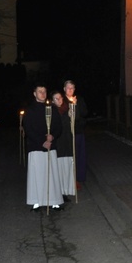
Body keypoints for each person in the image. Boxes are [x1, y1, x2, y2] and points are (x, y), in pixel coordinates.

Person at [23, 83, 64, 211]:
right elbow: (28, 129)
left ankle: (54, 201)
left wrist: (52, 137)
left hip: (50, 145)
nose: (43, 93)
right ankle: (36, 201)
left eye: (44, 91)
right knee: (37, 175)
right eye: (40, 91)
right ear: (34, 93)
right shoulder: (30, 110)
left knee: (51, 174)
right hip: (36, 146)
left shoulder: (51, 108)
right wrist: (42, 141)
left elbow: (58, 126)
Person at [63, 80, 88, 191]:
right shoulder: (61, 100)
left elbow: (84, 113)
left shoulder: (80, 100)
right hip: (66, 133)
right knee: (68, 156)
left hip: (78, 131)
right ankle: (67, 179)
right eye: (68, 88)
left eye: (72, 88)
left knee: (78, 155)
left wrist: (76, 105)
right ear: (64, 89)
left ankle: (77, 178)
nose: (70, 90)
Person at [51, 90, 76, 200]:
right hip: (58, 145)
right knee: (59, 169)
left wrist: (72, 114)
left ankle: (67, 190)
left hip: (67, 143)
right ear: (52, 101)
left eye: (60, 98)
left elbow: (73, 124)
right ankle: (59, 192)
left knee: (68, 167)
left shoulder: (67, 109)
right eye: (56, 98)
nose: (59, 100)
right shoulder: (52, 111)